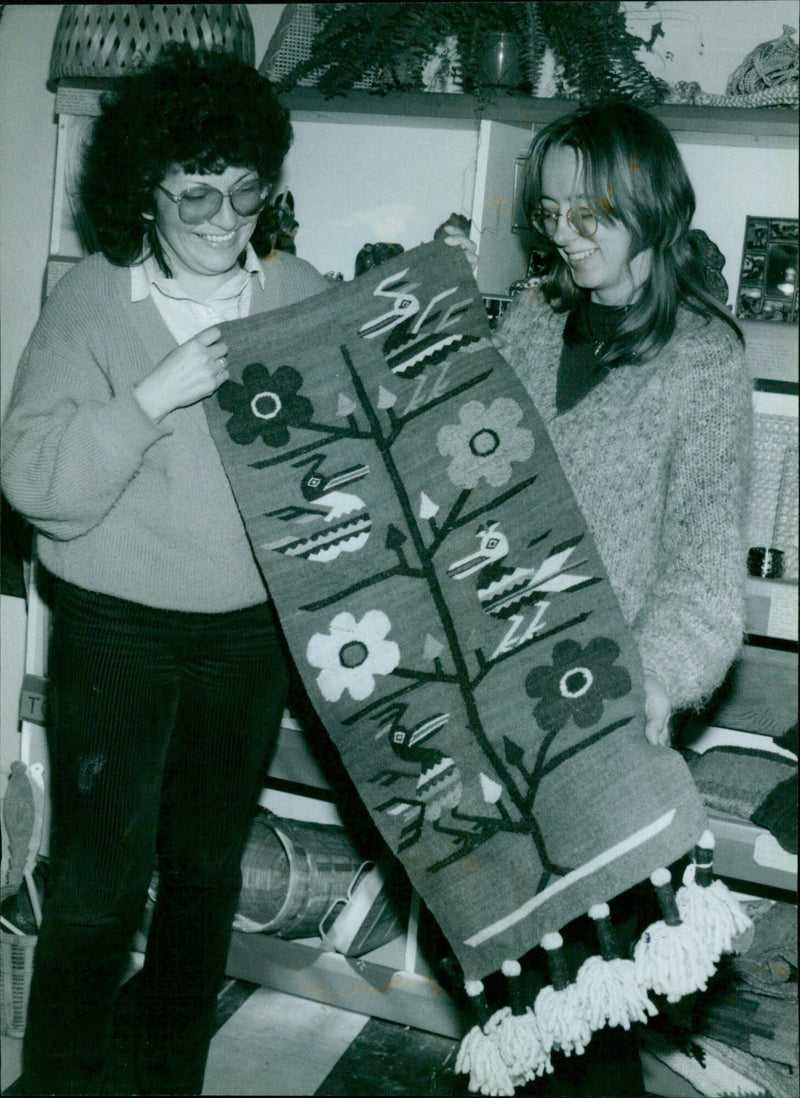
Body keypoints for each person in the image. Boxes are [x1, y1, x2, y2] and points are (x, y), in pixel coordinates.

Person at [1, 44, 329, 1096]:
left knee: (202, 882)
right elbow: (34, 479)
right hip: (116, 633)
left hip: (246, 638)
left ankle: (167, 1085)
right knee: (97, 888)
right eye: (197, 196)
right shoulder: (93, 302)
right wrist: (152, 397)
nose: (225, 221)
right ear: (146, 187)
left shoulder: (299, 292)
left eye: (245, 195)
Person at [443, 102, 753, 1095]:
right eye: (549, 214)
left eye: (591, 214)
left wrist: (649, 687)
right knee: (517, 998)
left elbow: (703, 563)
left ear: (651, 208)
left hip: (603, 713)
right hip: (494, 701)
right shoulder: (528, 321)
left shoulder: (703, 356)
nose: (564, 237)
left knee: (597, 1018)